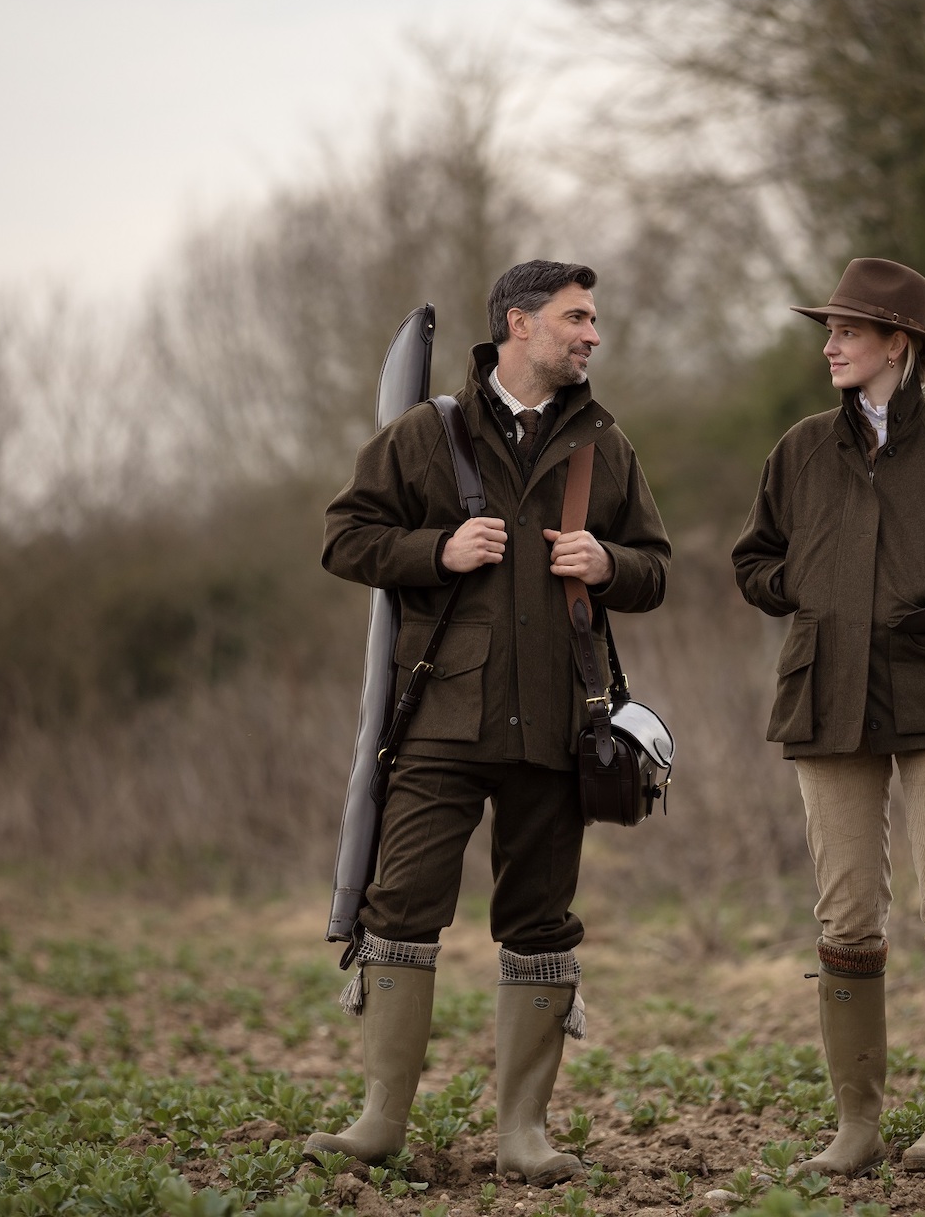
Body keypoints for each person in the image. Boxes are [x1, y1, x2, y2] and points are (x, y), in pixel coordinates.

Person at [310, 260, 671, 1185]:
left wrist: (608, 564)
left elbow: (656, 568)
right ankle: (380, 1125)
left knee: (541, 923)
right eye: (577, 318)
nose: (593, 335)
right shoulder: (426, 435)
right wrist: (436, 549)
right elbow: (344, 538)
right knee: (399, 910)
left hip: (560, 723)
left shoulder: (605, 445)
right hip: (440, 720)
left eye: (595, 321)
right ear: (519, 323)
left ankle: (525, 1137)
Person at [732, 257, 925, 1175]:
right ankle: (857, 1130)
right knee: (846, 910)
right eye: (827, 331)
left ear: (895, 346)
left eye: (848, 332)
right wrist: (809, 590)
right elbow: (753, 562)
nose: (829, 346)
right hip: (824, 693)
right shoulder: (797, 449)